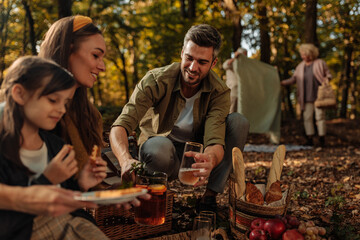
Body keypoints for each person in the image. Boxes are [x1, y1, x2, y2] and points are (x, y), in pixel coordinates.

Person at [110, 24, 250, 212]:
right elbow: (121, 125)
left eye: (202, 62)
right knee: (158, 147)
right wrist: (125, 160)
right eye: (189, 58)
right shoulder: (156, 80)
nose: (193, 68)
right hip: (160, 151)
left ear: (213, 63)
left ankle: (209, 199)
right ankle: (156, 195)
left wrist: (210, 159)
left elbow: (215, 140)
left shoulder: (219, 92)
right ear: (182, 52)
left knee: (239, 122)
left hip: (195, 156)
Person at [0, 56, 108, 239]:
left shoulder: (55, 145)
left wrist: (81, 184)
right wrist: (47, 179)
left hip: (71, 225)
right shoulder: (4, 148)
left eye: (64, 102)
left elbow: (63, 197)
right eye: (52, 100)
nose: (62, 110)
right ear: (19, 94)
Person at [38, 15, 106, 176]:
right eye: (96, 55)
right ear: (67, 50)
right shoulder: (21, 108)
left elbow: (88, 186)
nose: (102, 67)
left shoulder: (91, 116)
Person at [281, 43, 332, 147]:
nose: (303, 56)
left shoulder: (320, 63)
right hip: (306, 97)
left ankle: (322, 139)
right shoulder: (300, 66)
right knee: (307, 118)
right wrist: (282, 82)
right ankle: (310, 139)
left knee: (320, 117)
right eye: (302, 54)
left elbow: (329, 74)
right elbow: (294, 79)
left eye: (305, 54)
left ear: (311, 54)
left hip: (319, 96)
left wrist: (327, 79)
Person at [222, 48, 248, 113]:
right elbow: (225, 66)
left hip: (241, 94)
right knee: (231, 112)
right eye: (243, 55)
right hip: (232, 93)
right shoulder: (232, 62)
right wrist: (235, 58)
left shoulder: (244, 66)